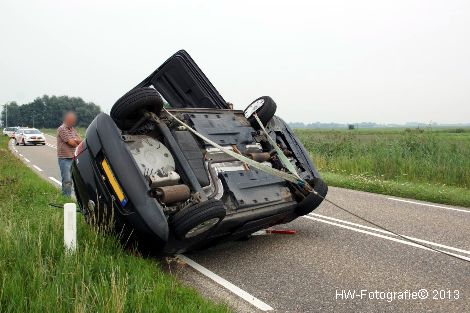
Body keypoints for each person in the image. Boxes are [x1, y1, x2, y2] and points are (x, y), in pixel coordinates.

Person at [57, 111, 82, 197]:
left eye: (73, 121)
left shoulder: (72, 129)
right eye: (71, 120)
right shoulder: (62, 129)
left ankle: (74, 198)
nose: (73, 122)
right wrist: (75, 140)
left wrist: (75, 140)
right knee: (67, 180)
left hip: (73, 158)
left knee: (74, 180)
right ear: (67, 119)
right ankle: (66, 198)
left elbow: (81, 141)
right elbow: (72, 143)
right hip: (64, 158)